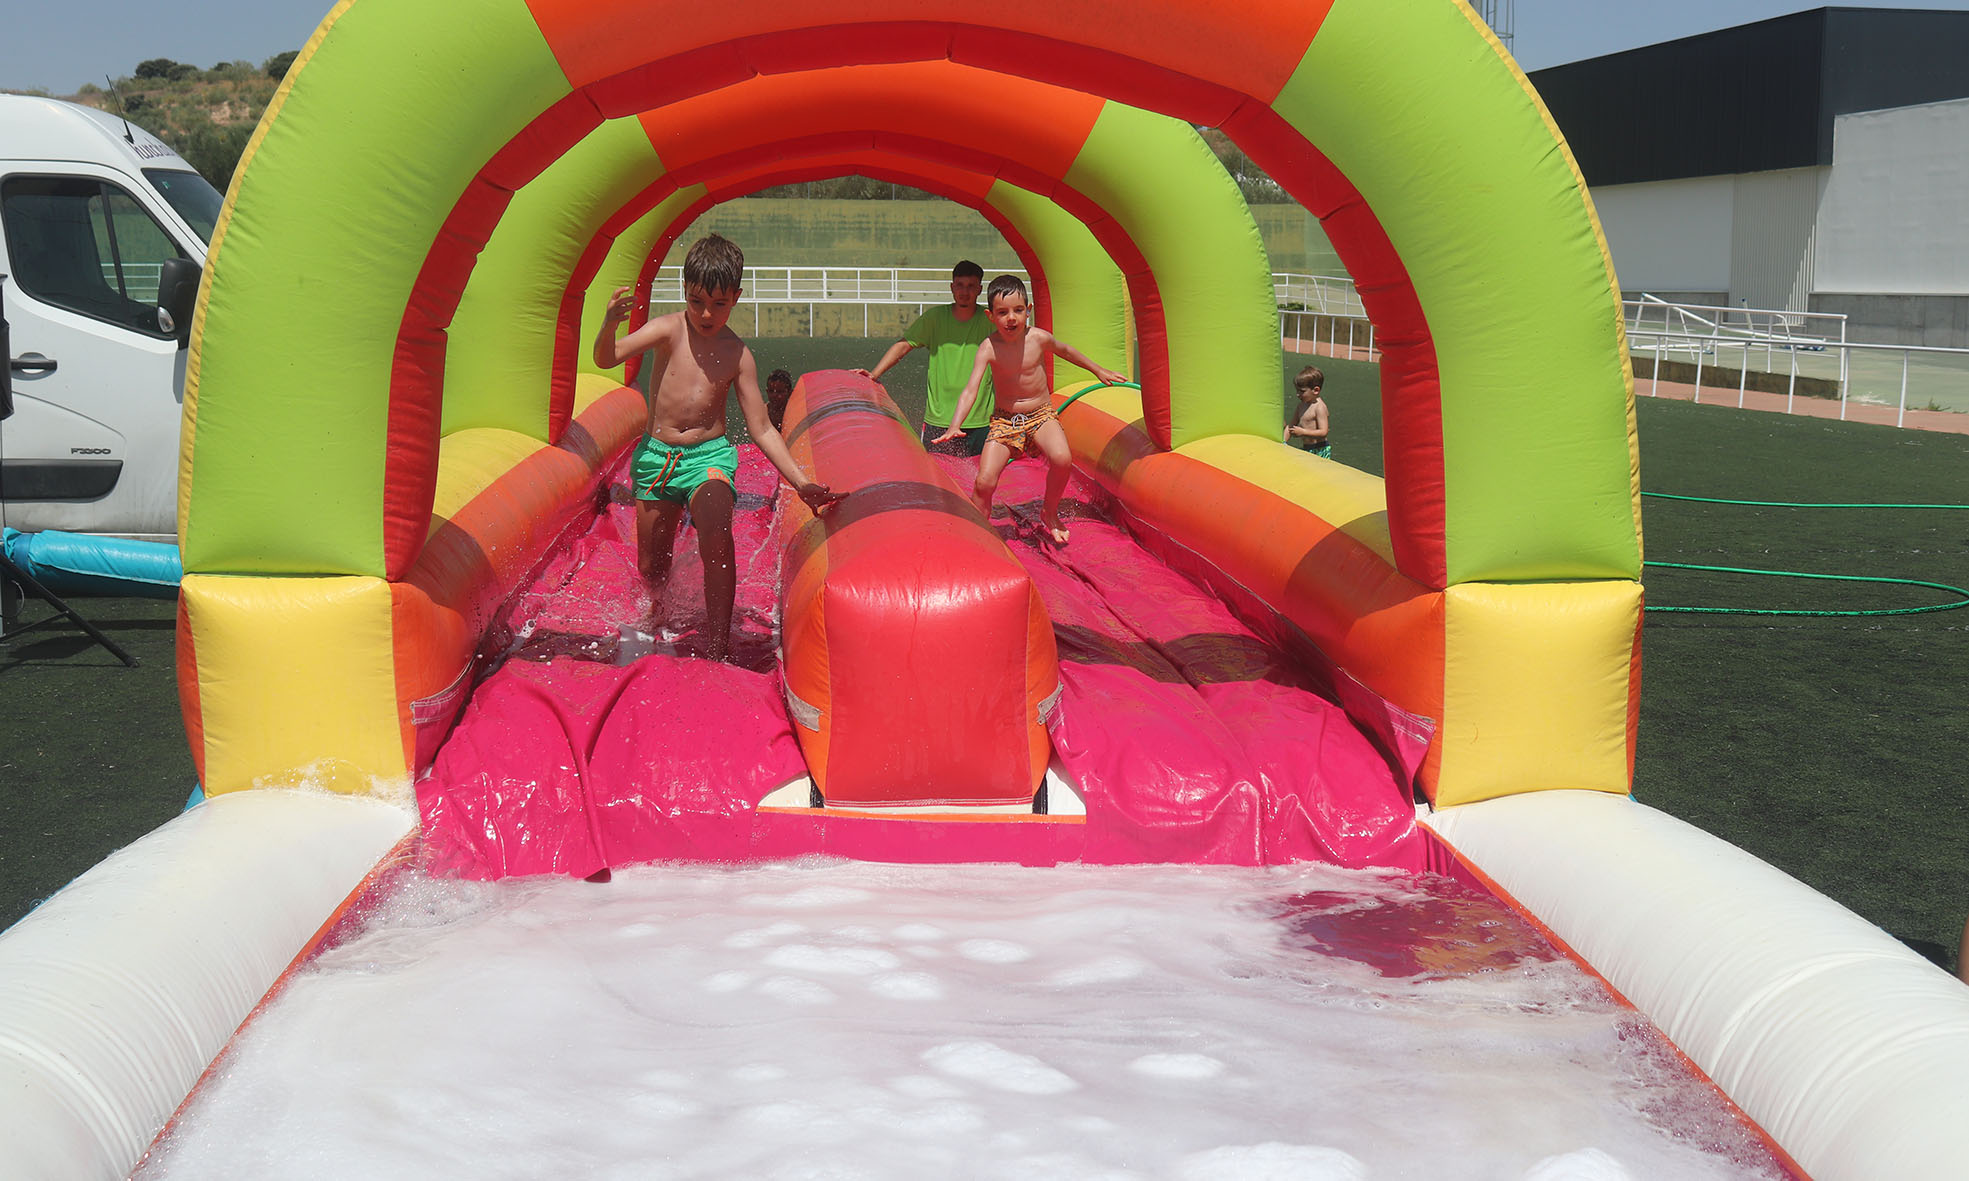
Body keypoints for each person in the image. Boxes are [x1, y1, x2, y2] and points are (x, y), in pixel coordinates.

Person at [593, 234, 840, 661]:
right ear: (684, 291)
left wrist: (801, 483)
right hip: (657, 457)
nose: (707, 313)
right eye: (697, 301)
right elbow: (606, 357)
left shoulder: (737, 354)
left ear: (736, 297)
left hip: (708, 457)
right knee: (652, 566)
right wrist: (609, 324)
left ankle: (717, 646)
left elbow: (761, 429)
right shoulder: (669, 330)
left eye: (719, 303)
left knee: (717, 535)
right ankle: (657, 613)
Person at [935, 274, 1126, 544]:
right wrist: (955, 424)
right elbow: (971, 389)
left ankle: (1049, 512)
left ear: (1029, 310)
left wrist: (1098, 370)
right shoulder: (989, 347)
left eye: (1018, 310)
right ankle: (977, 531)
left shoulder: (1038, 338)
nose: (1011, 318)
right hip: (1006, 421)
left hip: (1040, 415)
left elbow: (1067, 351)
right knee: (984, 481)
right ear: (990, 316)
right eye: (1003, 313)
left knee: (1062, 458)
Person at [856, 260, 995, 455]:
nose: (965, 291)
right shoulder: (935, 318)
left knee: (984, 474)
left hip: (981, 421)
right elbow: (904, 345)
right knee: (937, 473)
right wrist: (874, 374)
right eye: (960, 285)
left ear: (980, 289)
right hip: (939, 421)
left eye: (971, 286)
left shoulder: (990, 320)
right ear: (952, 287)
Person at [1285, 364, 1331, 459]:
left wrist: (1303, 432)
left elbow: (1323, 431)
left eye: (1302, 391)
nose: (1298, 394)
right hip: (1307, 448)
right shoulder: (1301, 406)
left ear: (1316, 390)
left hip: (1319, 449)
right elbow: (1290, 426)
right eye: (1297, 391)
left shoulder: (1319, 407)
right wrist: (1283, 442)